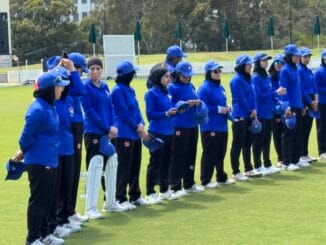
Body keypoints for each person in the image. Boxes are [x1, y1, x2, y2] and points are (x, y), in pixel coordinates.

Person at [14, 71, 70, 245]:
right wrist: (24, 152)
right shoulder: (38, 109)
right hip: (39, 162)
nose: (61, 89)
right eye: (58, 86)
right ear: (49, 89)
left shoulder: (50, 106)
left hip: (50, 160)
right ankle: (32, 239)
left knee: (48, 199)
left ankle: (44, 234)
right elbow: (25, 138)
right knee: (39, 200)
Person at [81, 57, 127, 220]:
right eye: (92, 69)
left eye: (97, 68)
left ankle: (110, 202)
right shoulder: (86, 87)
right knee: (95, 166)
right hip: (93, 132)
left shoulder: (105, 86)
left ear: (102, 70)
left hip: (109, 132)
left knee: (112, 161)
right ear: (88, 71)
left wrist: (114, 126)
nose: (95, 71)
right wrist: (107, 128)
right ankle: (90, 208)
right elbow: (89, 111)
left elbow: (111, 108)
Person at [111, 60, 150, 209]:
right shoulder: (117, 91)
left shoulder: (131, 90)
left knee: (135, 165)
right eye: (132, 73)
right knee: (124, 167)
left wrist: (141, 123)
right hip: (124, 134)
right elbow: (123, 113)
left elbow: (137, 109)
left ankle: (135, 195)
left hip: (134, 133)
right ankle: (121, 197)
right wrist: (137, 126)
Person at [168, 61, 204, 197]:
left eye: (189, 76)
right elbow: (170, 106)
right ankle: (175, 185)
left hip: (193, 124)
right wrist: (185, 104)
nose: (187, 78)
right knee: (178, 155)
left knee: (191, 153)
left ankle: (189, 182)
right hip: (179, 125)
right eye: (184, 76)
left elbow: (196, 99)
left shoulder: (191, 86)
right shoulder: (172, 88)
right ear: (177, 74)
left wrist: (198, 104)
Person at [197, 61, 235, 188]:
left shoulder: (220, 87)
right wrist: (219, 109)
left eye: (219, 71)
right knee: (210, 153)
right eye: (215, 71)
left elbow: (223, 104)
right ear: (209, 73)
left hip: (222, 125)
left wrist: (227, 109)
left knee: (221, 152)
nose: (218, 73)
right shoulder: (204, 88)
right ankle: (205, 180)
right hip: (209, 126)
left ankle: (221, 177)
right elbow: (202, 107)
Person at [144, 64, 178, 204]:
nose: (168, 79)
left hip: (169, 131)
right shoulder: (151, 93)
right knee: (155, 162)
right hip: (157, 132)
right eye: (166, 76)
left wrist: (176, 110)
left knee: (166, 162)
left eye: (169, 76)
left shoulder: (166, 92)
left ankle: (164, 190)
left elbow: (168, 109)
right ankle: (150, 191)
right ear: (158, 78)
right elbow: (150, 114)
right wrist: (166, 113)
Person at [229, 54, 262, 181]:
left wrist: (254, 111)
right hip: (240, 116)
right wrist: (250, 110)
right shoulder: (236, 80)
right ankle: (236, 172)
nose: (251, 67)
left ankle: (248, 168)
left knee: (247, 143)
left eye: (251, 64)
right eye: (249, 65)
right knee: (237, 144)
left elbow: (253, 96)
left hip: (249, 115)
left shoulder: (249, 79)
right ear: (242, 66)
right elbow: (240, 99)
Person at [251, 52, 285, 175]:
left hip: (269, 113)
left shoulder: (267, 77)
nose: (266, 62)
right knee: (258, 140)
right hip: (260, 113)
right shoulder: (255, 78)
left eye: (267, 60)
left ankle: (267, 163)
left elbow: (272, 95)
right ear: (257, 63)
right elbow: (259, 97)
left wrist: (279, 102)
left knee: (267, 139)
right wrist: (276, 93)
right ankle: (258, 165)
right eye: (263, 60)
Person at [66, 52, 90, 223]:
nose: (81, 75)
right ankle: (65, 214)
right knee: (68, 172)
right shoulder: (65, 80)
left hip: (78, 123)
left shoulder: (72, 80)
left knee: (74, 171)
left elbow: (80, 92)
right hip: (70, 124)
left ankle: (71, 210)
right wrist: (72, 72)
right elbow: (80, 90)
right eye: (80, 70)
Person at [279, 44, 309, 170]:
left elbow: (298, 89)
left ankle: (296, 159)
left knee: (297, 133)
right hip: (290, 107)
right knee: (288, 134)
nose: (297, 58)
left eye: (298, 56)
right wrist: (286, 107)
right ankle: (286, 162)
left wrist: (302, 105)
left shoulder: (295, 69)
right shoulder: (285, 70)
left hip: (297, 105)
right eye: (295, 55)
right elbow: (283, 90)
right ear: (289, 56)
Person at [298, 47, 318, 163]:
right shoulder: (299, 70)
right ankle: (301, 154)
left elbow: (314, 86)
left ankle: (305, 153)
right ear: (300, 57)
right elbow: (302, 89)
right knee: (302, 129)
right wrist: (310, 102)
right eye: (305, 57)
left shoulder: (309, 71)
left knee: (308, 128)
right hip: (305, 101)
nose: (307, 59)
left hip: (312, 100)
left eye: (308, 57)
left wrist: (315, 100)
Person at [269, 54, 285, 166]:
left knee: (286, 133)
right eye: (277, 63)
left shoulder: (284, 76)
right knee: (277, 134)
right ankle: (280, 158)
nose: (279, 65)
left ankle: (287, 155)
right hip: (275, 110)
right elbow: (271, 95)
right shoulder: (270, 78)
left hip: (285, 108)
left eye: (281, 63)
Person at [314, 50, 326, 160]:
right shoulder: (318, 72)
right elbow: (316, 88)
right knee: (321, 127)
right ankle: (322, 151)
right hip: (321, 102)